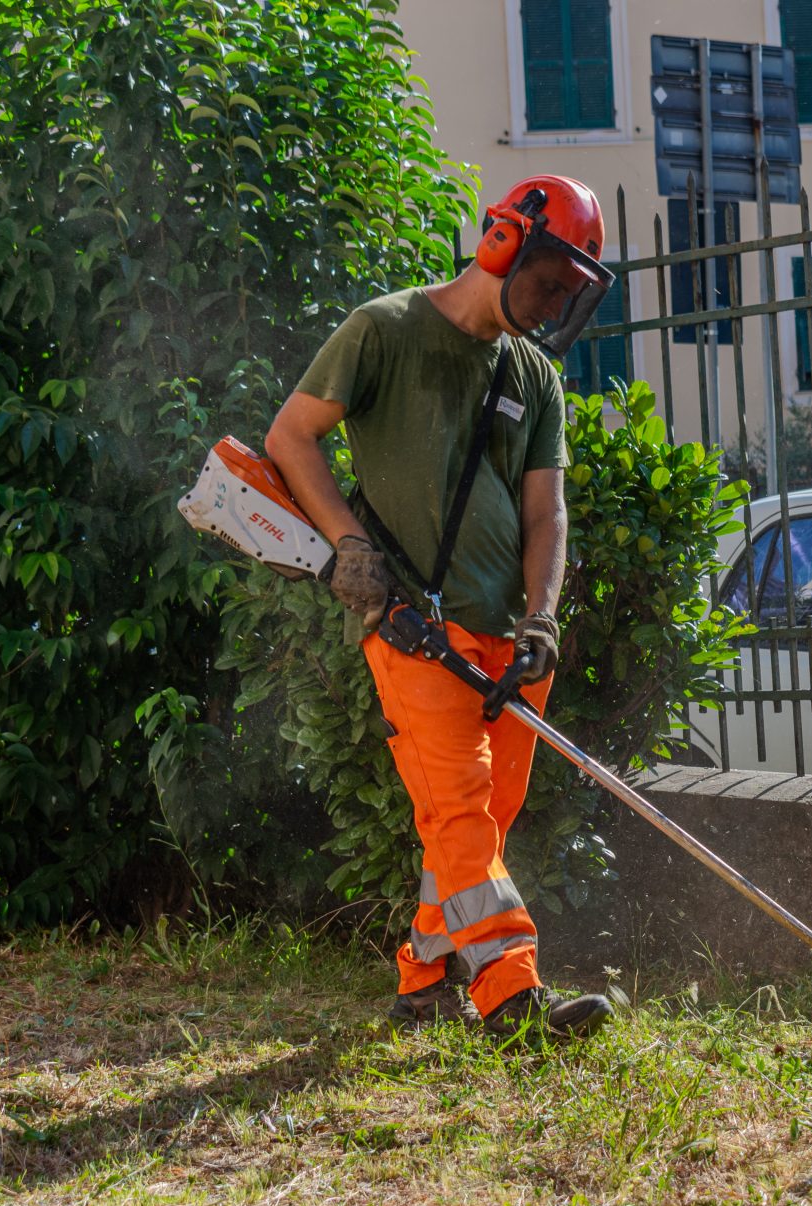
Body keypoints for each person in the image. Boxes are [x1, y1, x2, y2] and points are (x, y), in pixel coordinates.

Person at [265, 175, 615, 1045]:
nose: (553, 307)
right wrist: (351, 548)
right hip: (412, 626)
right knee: (459, 810)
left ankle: (425, 980)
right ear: (503, 243)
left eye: (569, 295)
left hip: (509, 638)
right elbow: (289, 437)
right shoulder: (383, 329)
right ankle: (512, 996)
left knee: (477, 825)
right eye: (550, 285)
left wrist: (542, 619)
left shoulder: (533, 376)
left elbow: (547, 514)